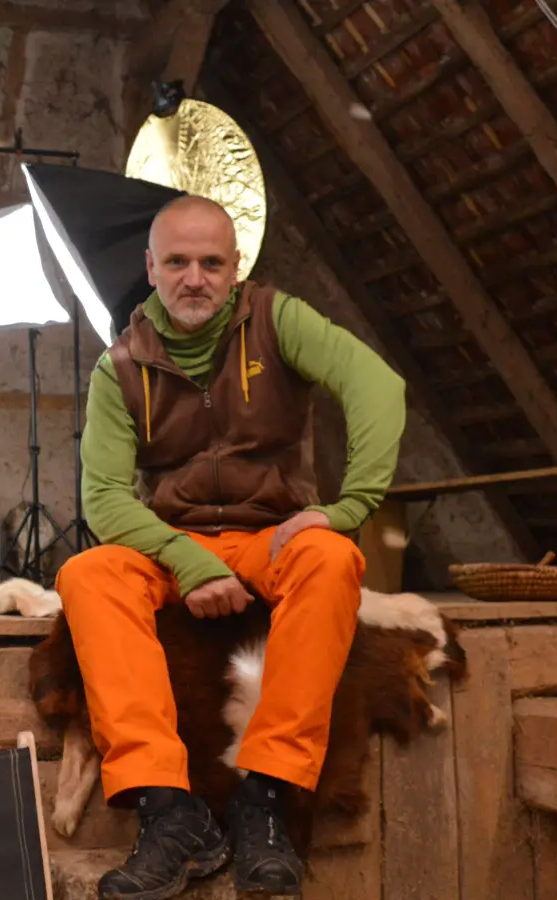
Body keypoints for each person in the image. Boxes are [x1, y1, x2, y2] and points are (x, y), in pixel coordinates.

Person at [57, 194, 406, 898]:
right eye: (178, 262)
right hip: (171, 540)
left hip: (272, 532)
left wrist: (351, 508)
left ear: (235, 268)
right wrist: (186, 561)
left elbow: (376, 384)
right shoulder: (118, 366)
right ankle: (167, 808)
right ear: (150, 268)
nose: (195, 278)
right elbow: (103, 500)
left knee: (334, 559)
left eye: (211, 263)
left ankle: (268, 798)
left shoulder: (279, 319)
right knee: (88, 574)